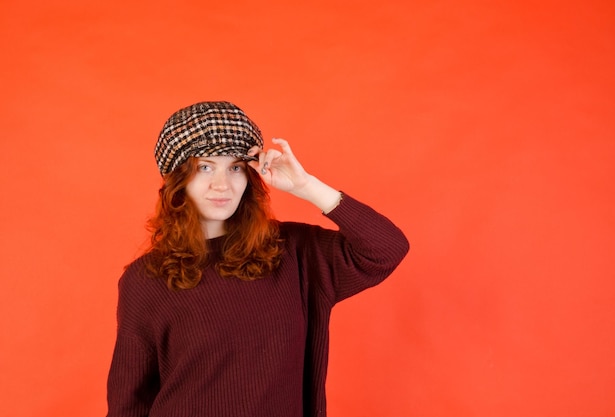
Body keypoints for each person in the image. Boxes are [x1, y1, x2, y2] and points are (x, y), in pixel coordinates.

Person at [106, 101, 409, 417]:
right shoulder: (146, 279)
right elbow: (130, 402)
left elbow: (385, 248)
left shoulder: (294, 252)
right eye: (205, 167)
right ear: (177, 180)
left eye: (235, 167)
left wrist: (305, 186)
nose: (222, 185)